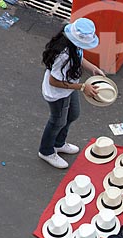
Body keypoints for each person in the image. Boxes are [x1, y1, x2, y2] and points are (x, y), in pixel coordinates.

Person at [38, 18, 105, 169]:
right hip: (58, 93)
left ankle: (59, 143)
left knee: (73, 114)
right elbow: (53, 81)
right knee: (58, 121)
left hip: (69, 87)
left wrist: (92, 67)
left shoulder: (72, 44)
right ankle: (46, 151)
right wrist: (82, 87)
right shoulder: (64, 55)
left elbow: (79, 57)